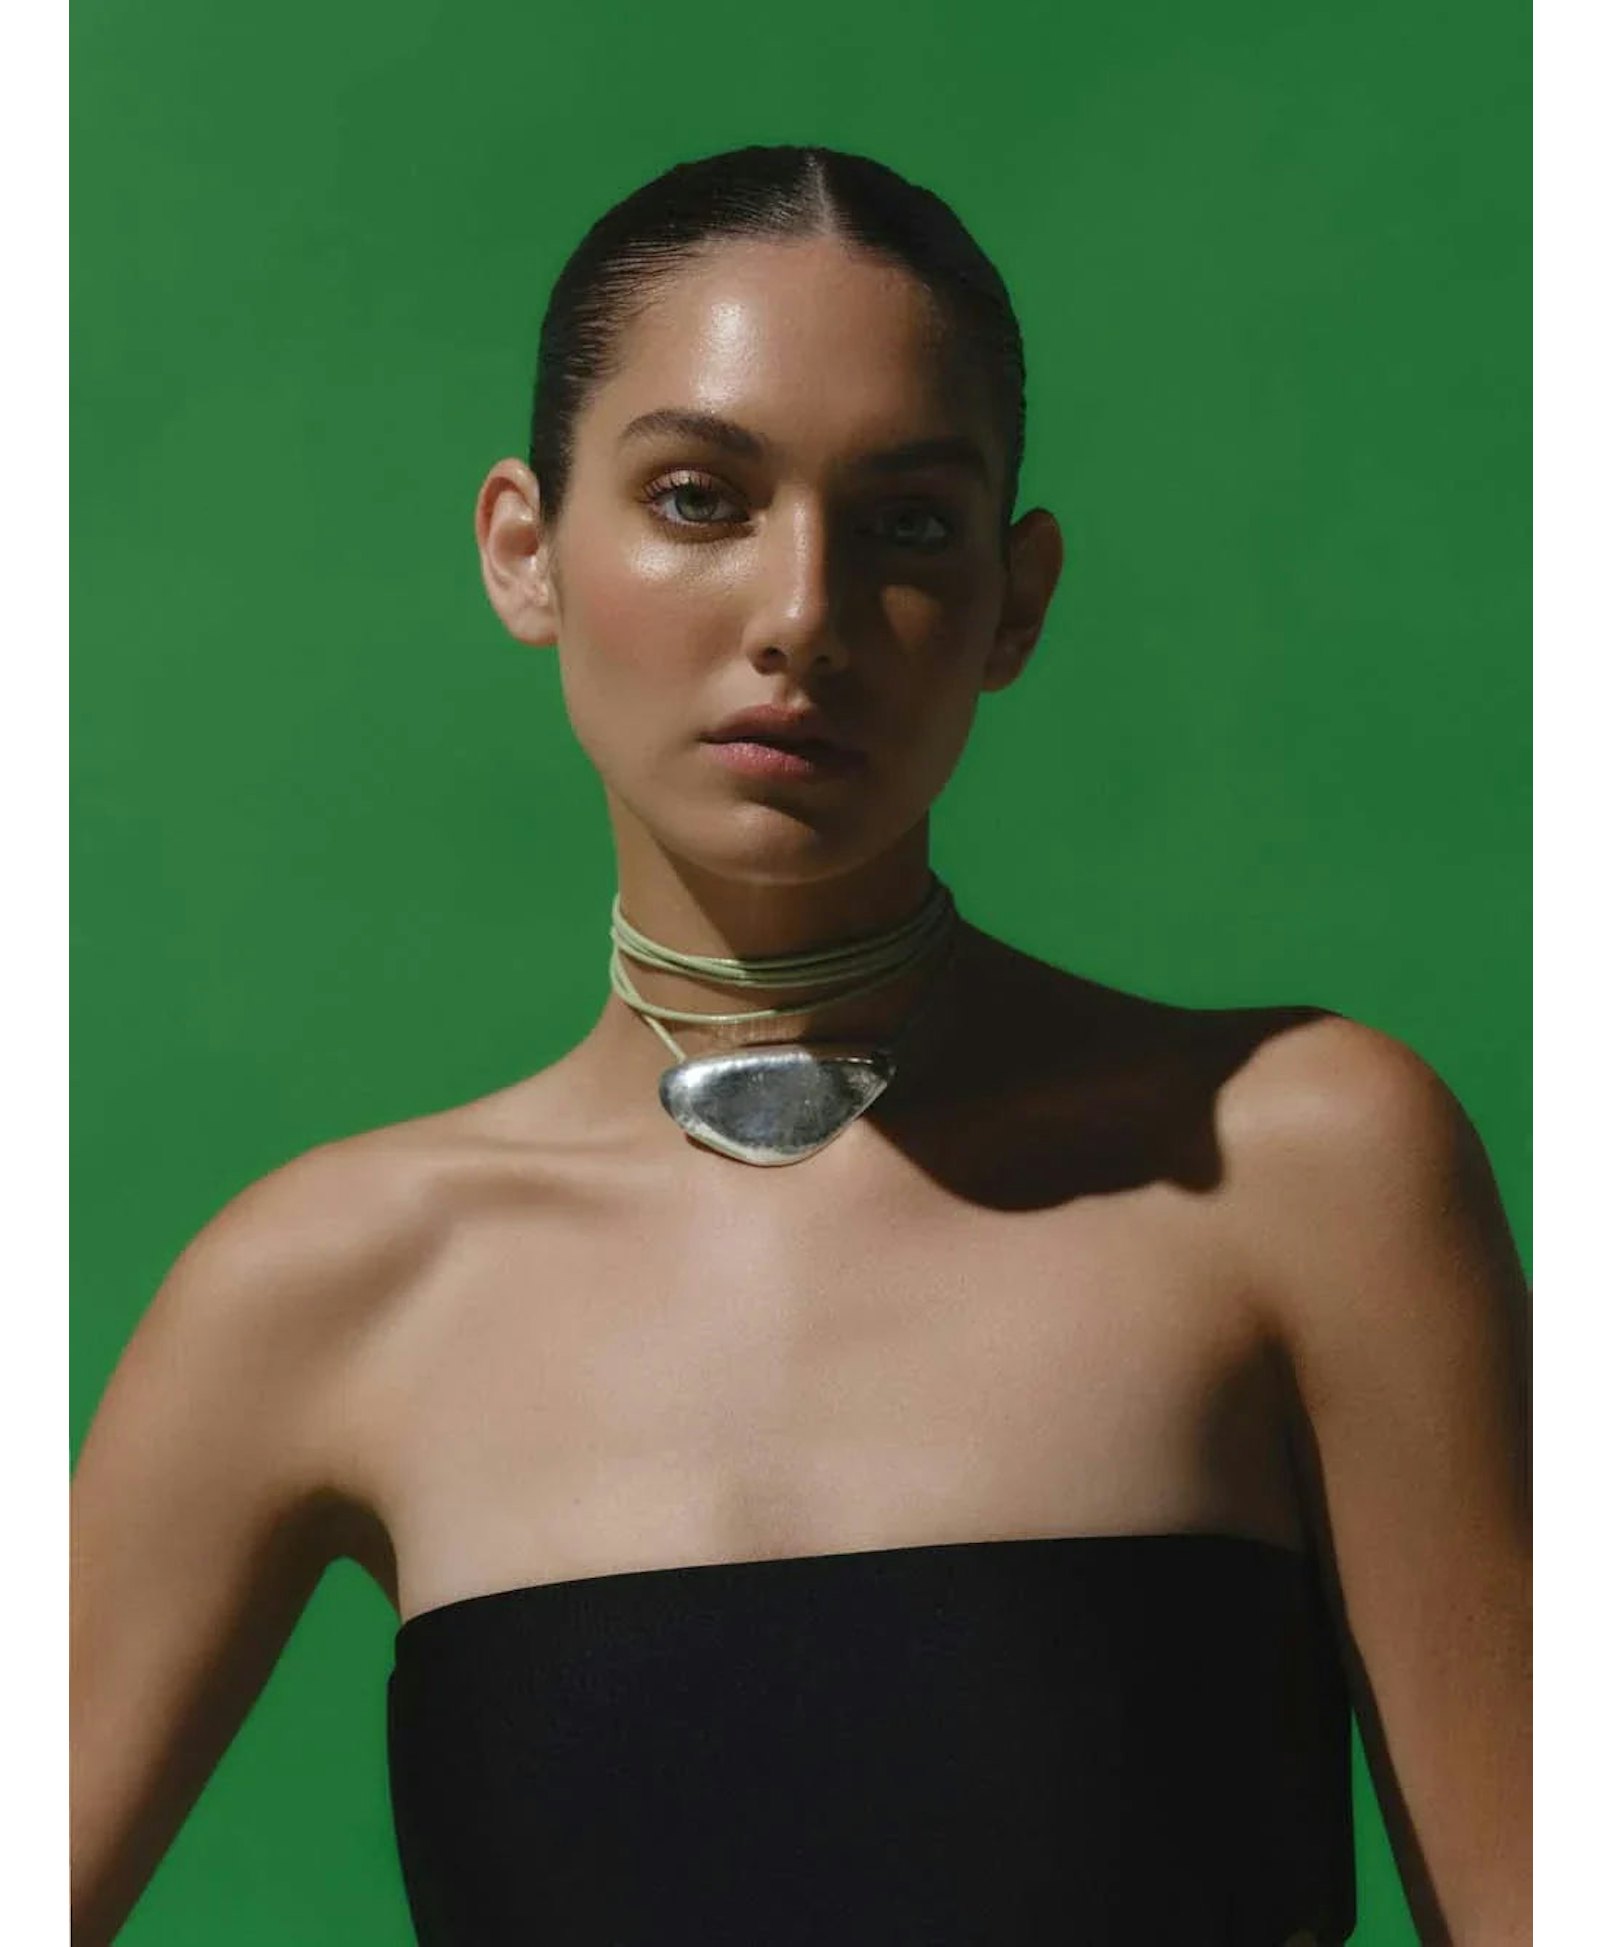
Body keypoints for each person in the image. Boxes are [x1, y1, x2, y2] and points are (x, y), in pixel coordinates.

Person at [70, 144, 1530, 1946]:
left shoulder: (1300, 1167)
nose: (801, 616)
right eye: (700, 499)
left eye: (908, 523)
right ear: (526, 550)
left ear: (1017, 596)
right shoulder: (331, 1287)